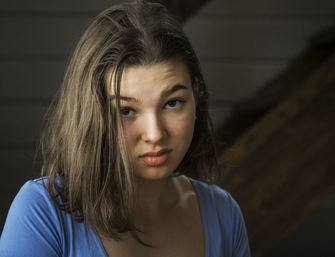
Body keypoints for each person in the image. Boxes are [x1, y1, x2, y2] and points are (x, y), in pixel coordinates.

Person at [0, 1, 251, 256]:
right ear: (91, 114)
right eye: (126, 110)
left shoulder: (224, 213)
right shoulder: (42, 213)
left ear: (196, 94)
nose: (154, 134)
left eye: (172, 103)